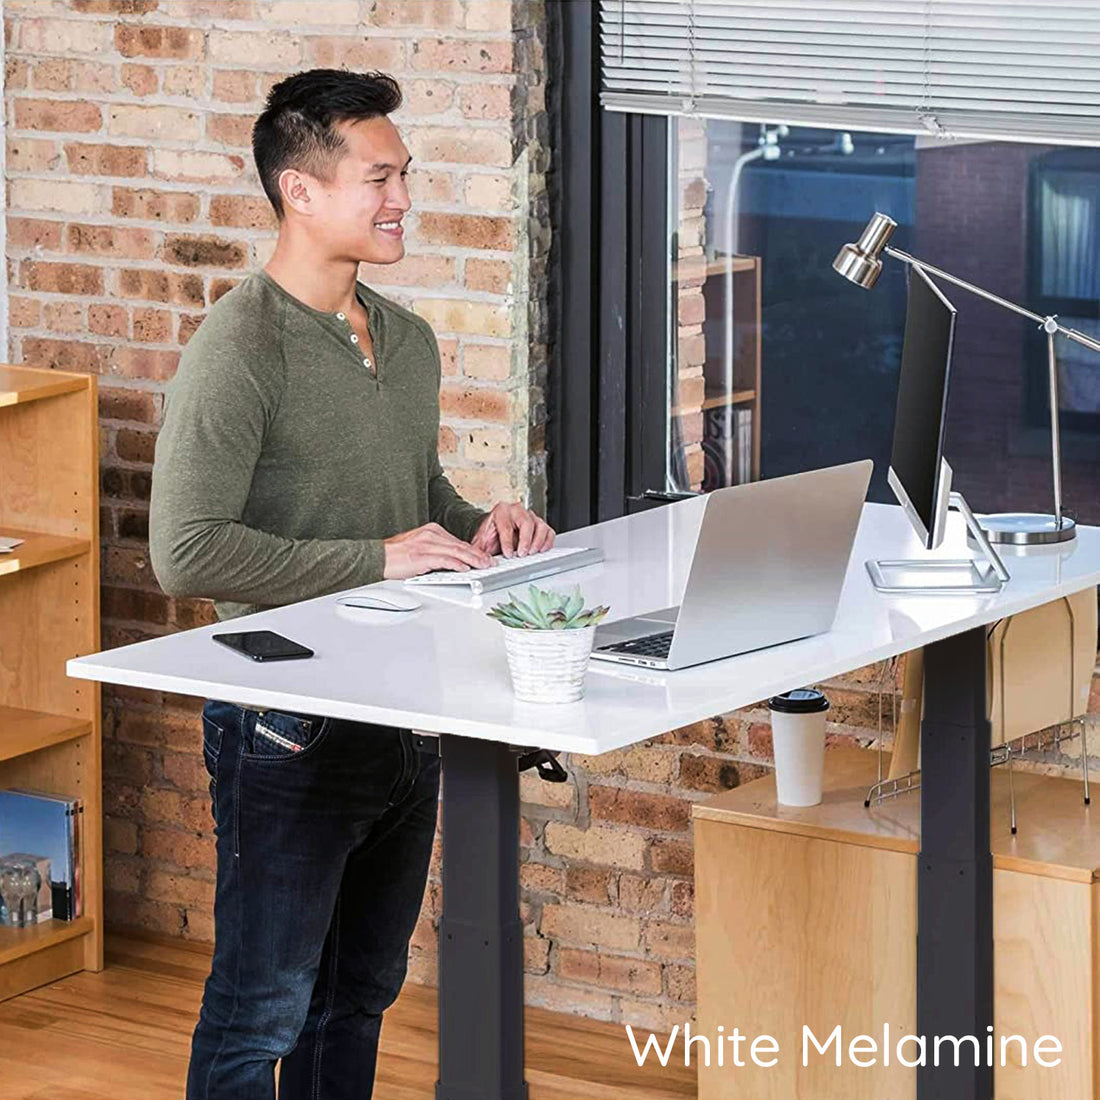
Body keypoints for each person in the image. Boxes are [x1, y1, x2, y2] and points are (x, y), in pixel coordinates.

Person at [148, 68, 554, 1100]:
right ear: (300, 190)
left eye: (403, 175)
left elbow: (414, 497)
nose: (402, 198)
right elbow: (184, 552)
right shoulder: (238, 349)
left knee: (358, 992)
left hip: (403, 706)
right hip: (285, 724)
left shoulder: (405, 341)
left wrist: (482, 527)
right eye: (378, 177)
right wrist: (379, 556)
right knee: (260, 1008)